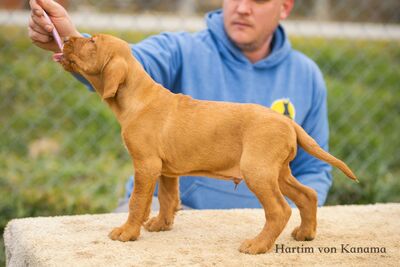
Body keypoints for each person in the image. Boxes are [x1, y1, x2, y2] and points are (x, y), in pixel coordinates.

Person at [28, 0, 332, 209]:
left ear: (285, 6)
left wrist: (284, 214)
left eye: (259, 0)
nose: (242, 8)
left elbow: (314, 169)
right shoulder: (180, 50)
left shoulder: (306, 76)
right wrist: (68, 37)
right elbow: (121, 65)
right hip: (170, 211)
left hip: (255, 221)